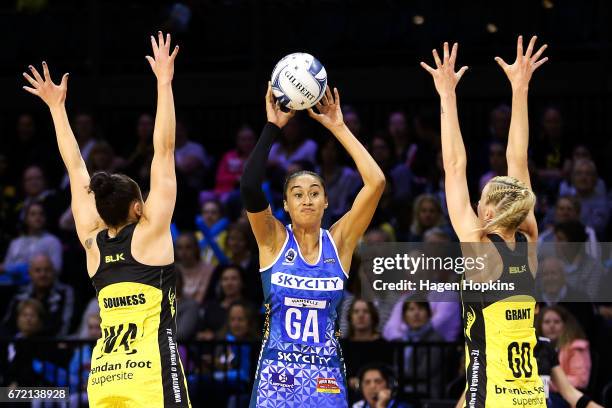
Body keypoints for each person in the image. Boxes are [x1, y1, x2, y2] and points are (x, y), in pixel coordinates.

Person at [22, 31, 190, 406]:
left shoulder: (91, 241)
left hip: (104, 378)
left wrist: (55, 109)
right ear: (137, 208)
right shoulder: (150, 235)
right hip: (151, 378)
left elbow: (74, 166)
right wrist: (164, 82)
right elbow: (163, 151)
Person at [421, 36, 548, 407]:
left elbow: (454, 165)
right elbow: (519, 160)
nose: (474, 204)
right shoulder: (530, 242)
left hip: (492, 399)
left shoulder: (479, 249)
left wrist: (446, 95)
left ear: (489, 213)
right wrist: (520, 89)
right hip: (530, 397)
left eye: (480, 200)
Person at [241, 84, 385, 407]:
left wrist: (339, 127)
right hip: (274, 384)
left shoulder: (339, 242)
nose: (307, 199)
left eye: (315, 193)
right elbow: (249, 185)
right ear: (287, 205)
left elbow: (376, 182)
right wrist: (272, 128)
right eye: (298, 194)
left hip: (326, 383)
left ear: (326, 201)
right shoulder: (273, 239)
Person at [2, 254, 74, 336]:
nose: (43, 274)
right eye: (38, 270)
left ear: (54, 272)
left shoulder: (65, 293)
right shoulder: (20, 293)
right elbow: (8, 324)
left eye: (47, 270)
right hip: (20, 343)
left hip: (53, 343)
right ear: (30, 273)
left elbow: (66, 325)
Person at [536, 306, 591, 393]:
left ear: (565, 325)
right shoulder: (533, 347)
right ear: (539, 325)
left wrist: (547, 383)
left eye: (557, 322)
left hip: (566, 398)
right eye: (547, 322)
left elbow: (580, 380)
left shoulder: (576, 347)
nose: (552, 326)